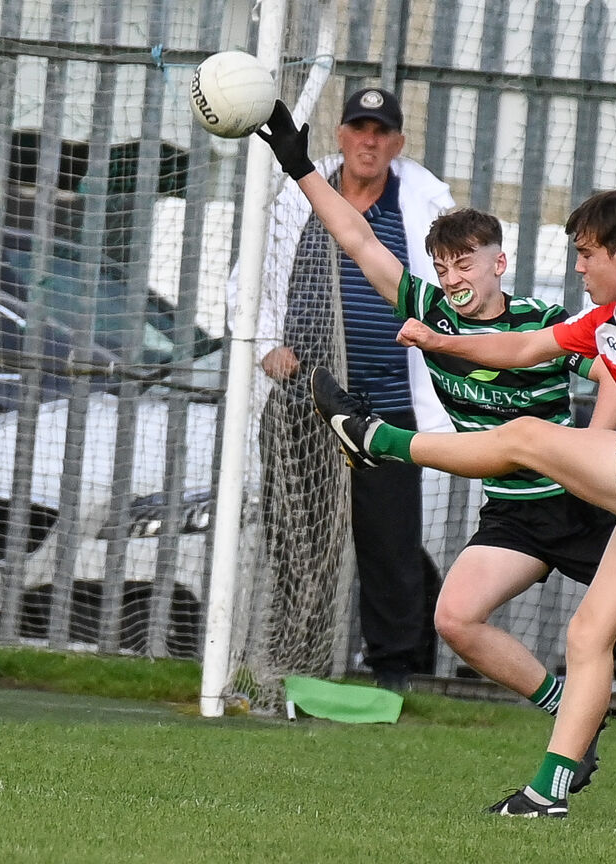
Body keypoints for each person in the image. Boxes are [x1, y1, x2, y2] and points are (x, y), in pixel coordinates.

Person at [255, 101, 616, 818]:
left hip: (584, 499)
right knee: (456, 618)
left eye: (466, 262)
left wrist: (601, 447)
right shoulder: (437, 314)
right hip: (516, 514)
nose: (452, 275)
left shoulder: (558, 317)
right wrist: (301, 167)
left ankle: (375, 442)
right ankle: (580, 727)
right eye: (441, 265)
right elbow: (360, 240)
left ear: (499, 263)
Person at [227, 86, 455, 691]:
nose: (369, 141)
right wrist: (266, 345)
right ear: (341, 135)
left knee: (389, 542)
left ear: (398, 143)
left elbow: (448, 289)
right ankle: (294, 652)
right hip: (305, 398)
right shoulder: (297, 195)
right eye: (359, 127)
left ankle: (393, 669)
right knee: (296, 535)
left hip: (389, 402)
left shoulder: (425, 205)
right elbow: (252, 278)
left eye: (382, 131)